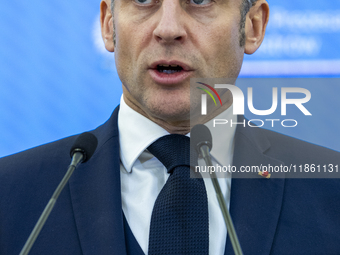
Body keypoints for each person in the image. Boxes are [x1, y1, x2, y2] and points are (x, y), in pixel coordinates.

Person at [1, 0, 340, 254]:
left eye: (201, 0)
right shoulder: (10, 194)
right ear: (109, 24)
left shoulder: (329, 191)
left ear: (252, 26)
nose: (167, 28)